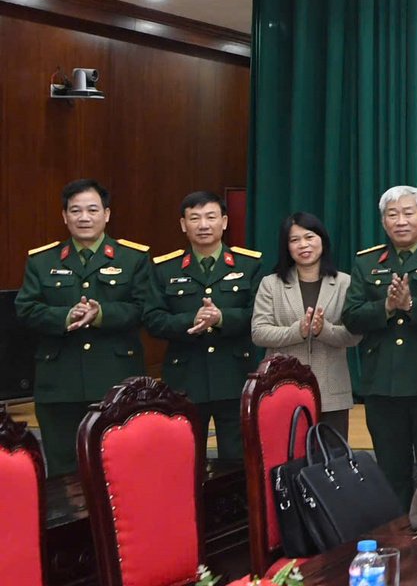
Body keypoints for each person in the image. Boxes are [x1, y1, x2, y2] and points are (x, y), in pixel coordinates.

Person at [16, 179, 154, 476]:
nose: (84, 217)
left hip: (115, 381)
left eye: (92, 210)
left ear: (106, 214)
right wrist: (66, 317)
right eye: (75, 210)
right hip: (59, 382)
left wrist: (101, 314)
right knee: (63, 469)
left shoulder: (133, 259)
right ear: (64, 216)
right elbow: (25, 309)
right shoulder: (41, 261)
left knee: (119, 468)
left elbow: (144, 309)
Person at [344, 185, 417, 501]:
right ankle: (395, 538)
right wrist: (386, 307)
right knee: (390, 471)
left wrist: (411, 306)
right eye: (392, 215)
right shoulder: (366, 263)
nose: (400, 221)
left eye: (408, 213)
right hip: (383, 383)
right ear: (383, 223)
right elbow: (351, 316)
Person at [146, 191, 262, 460]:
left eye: (211, 217)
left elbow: (257, 315)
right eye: (194, 218)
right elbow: (152, 319)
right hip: (186, 378)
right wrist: (191, 320)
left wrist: (221, 319)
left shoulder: (250, 264)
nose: (203, 225)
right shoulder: (165, 269)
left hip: (234, 375)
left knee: (238, 460)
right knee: (184, 459)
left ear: (224, 221)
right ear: (183, 225)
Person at [252, 212, 361, 435]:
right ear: (287, 247)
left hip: (331, 392)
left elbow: (354, 336)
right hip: (282, 388)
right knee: (286, 462)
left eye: (309, 237)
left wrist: (324, 330)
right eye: (294, 240)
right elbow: (259, 332)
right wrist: (297, 332)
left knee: (332, 461)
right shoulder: (271, 284)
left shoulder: (344, 282)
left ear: (322, 239)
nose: (303, 245)